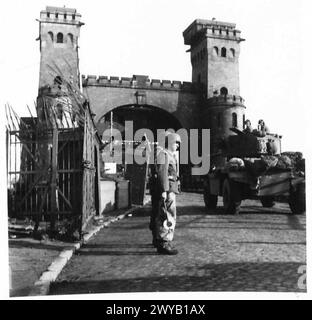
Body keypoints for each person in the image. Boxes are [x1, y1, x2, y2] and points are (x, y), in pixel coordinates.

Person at [149, 132, 181, 255]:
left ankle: (158, 239)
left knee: (160, 213)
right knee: (168, 215)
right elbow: (162, 173)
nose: (177, 146)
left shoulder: (166, 154)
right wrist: (164, 190)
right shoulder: (164, 154)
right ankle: (165, 242)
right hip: (167, 190)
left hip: (168, 189)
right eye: (176, 143)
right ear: (170, 143)